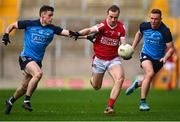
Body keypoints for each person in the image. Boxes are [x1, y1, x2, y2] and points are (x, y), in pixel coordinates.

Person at [2, 5, 79, 115]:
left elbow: (70, 33)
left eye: (52, 16)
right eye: (50, 15)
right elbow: (12, 25)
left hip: (37, 61)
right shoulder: (29, 24)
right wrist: (6, 34)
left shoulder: (52, 28)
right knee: (38, 74)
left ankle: (10, 101)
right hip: (25, 57)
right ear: (42, 15)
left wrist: (85, 36)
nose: (51, 18)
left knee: (24, 87)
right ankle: (27, 101)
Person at [75, 5, 129, 114]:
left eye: (116, 17)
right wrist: (78, 33)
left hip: (113, 59)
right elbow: (90, 30)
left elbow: (123, 43)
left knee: (120, 79)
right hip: (99, 60)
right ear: (107, 15)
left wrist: (125, 51)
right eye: (111, 17)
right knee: (96, 86)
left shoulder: (121, 27)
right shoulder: (102, 25)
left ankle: (110, 106)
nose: (113, 20)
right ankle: (92, 79)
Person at [125, 9, 175, 111]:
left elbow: (171, 48)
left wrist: (165, 58)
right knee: (150, 73)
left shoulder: (165, 31)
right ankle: (142, 102)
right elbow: (139, 34)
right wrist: (132, 48)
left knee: (148, 78)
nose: (153, 21)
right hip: (146, 54)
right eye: (151, 18)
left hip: (159, 59)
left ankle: (137, 84)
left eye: (156, 19)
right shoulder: (144, 26)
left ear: (161, 19)